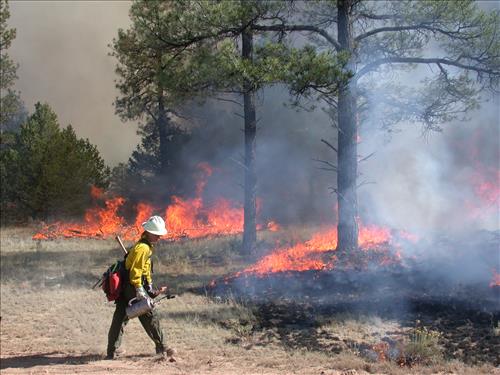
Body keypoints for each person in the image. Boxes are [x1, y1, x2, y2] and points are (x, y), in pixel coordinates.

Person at [106, 215, 174, 360]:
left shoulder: (144, 246)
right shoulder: (143, 248)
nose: (159, 237)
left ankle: (111, 351)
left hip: (127, 286)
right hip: (133, 286)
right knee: (149, 315)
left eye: (159, 234)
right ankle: (163, 349)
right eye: (156, 234)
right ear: (148, 232)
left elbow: (145, 268)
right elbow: (136, 271)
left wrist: (149, 285)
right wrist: (140, 289)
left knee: (120, 317)